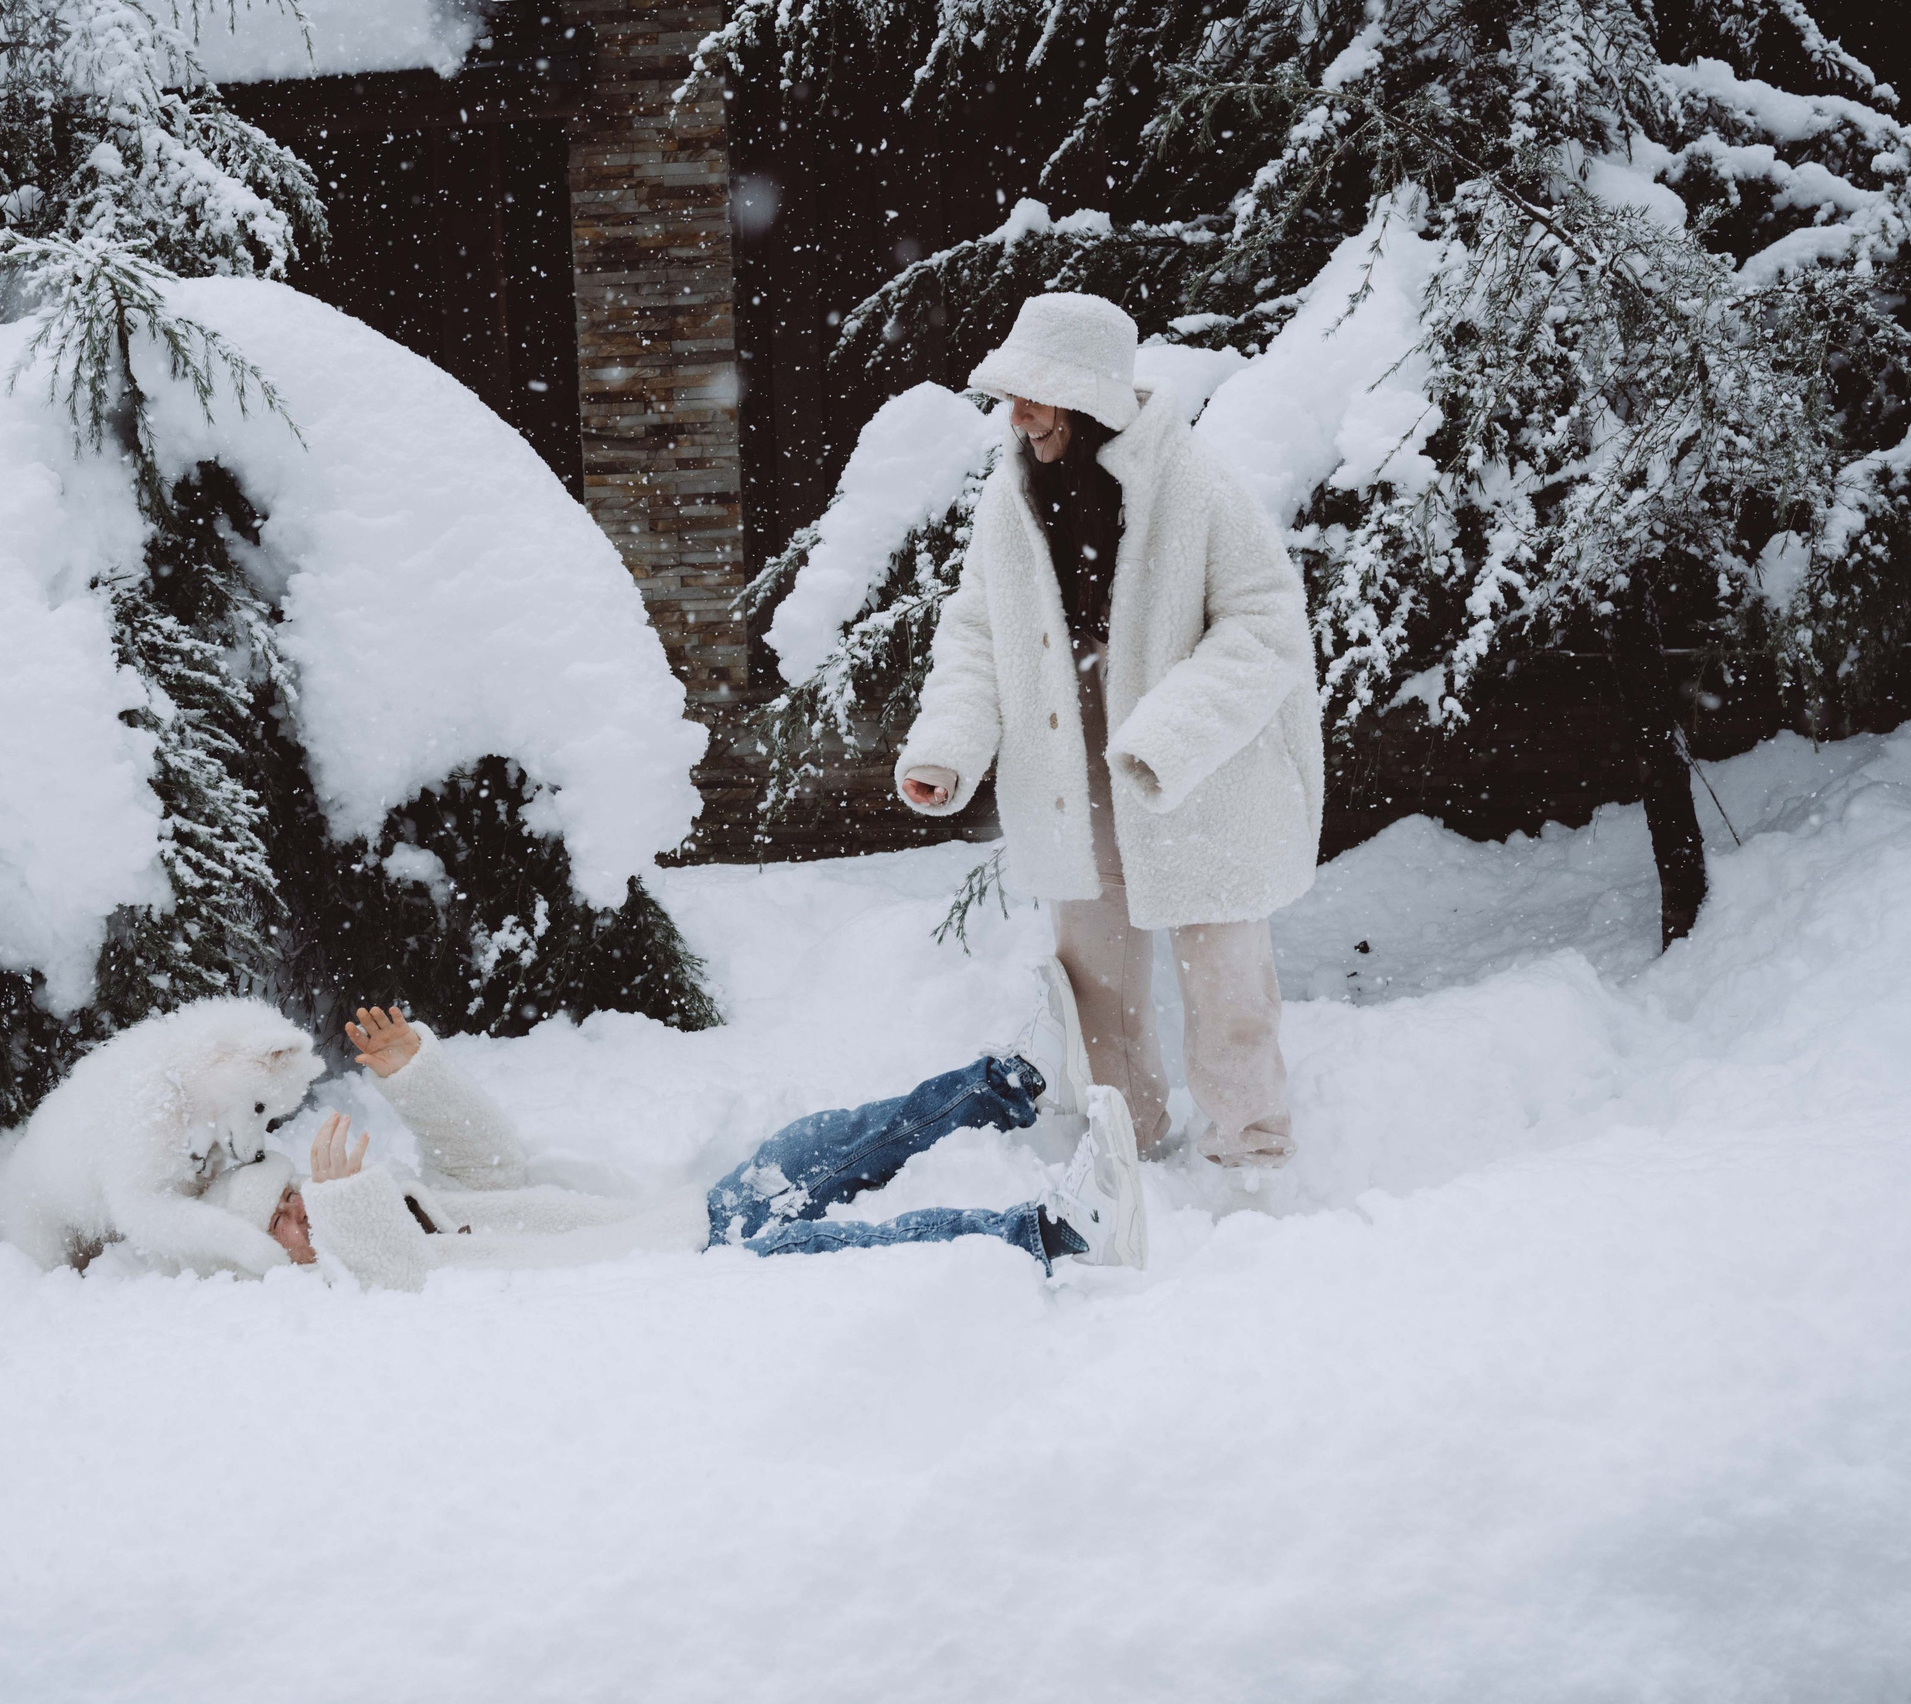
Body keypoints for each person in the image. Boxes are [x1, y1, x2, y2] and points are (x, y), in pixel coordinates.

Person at [895, 291, 1323, 1169]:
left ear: (1090, 398)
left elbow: (1266, 623)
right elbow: (978, 632)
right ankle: (1121, 1150)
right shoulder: (1007, 500)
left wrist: (1167, 734)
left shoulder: (1197, 483)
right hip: (1070, 763)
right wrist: (949, 745)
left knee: (1228, 983)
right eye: (1011, 394)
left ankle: (1251, 1162)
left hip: (1200, 773)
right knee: (1092, 979)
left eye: (1037, 395)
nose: (1017, 415)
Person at [212, 974, 1147, 1293]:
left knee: (834, 1138)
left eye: (294, 1197)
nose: (301, 1218)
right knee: (869, 1250)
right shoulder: (358, 1289)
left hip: (689, 1219)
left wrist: (415, 1073)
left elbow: (491, 1165)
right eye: (283, 1222)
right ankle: (1060, 1235)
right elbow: (396, 1277)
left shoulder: (413, 1213)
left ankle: (1012, 1084)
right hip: (693, 1279)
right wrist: (341, 1212)